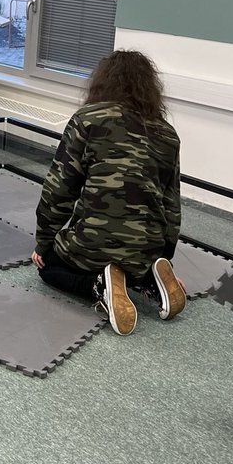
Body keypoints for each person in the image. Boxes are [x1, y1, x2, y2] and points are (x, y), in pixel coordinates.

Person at [31, 50, 183, 336]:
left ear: (102, 83)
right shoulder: (167, 134)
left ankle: (98, 284)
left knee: (48, 267)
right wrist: (163, 256)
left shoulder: (88, 119)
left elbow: (59, 190)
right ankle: (151, 277)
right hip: (147, 248)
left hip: (91, 243)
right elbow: (171, 204)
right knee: (133, 264)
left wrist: (43, 243)